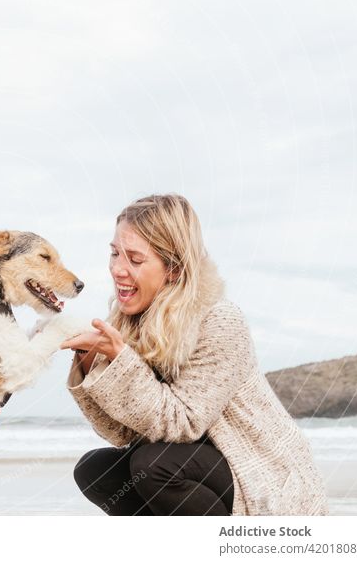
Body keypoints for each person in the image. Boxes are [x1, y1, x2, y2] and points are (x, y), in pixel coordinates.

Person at [60, 194, 328, 516]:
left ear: (173, 268)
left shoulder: (219, 321)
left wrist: (121, 362)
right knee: (95, 471)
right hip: (196, 468)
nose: (117, 269)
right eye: (115, 253)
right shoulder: (134, 323)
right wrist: (93, 366)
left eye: (134, 258)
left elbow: (183, 423)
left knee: (156, 466)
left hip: (258, 477)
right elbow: (122, 432)